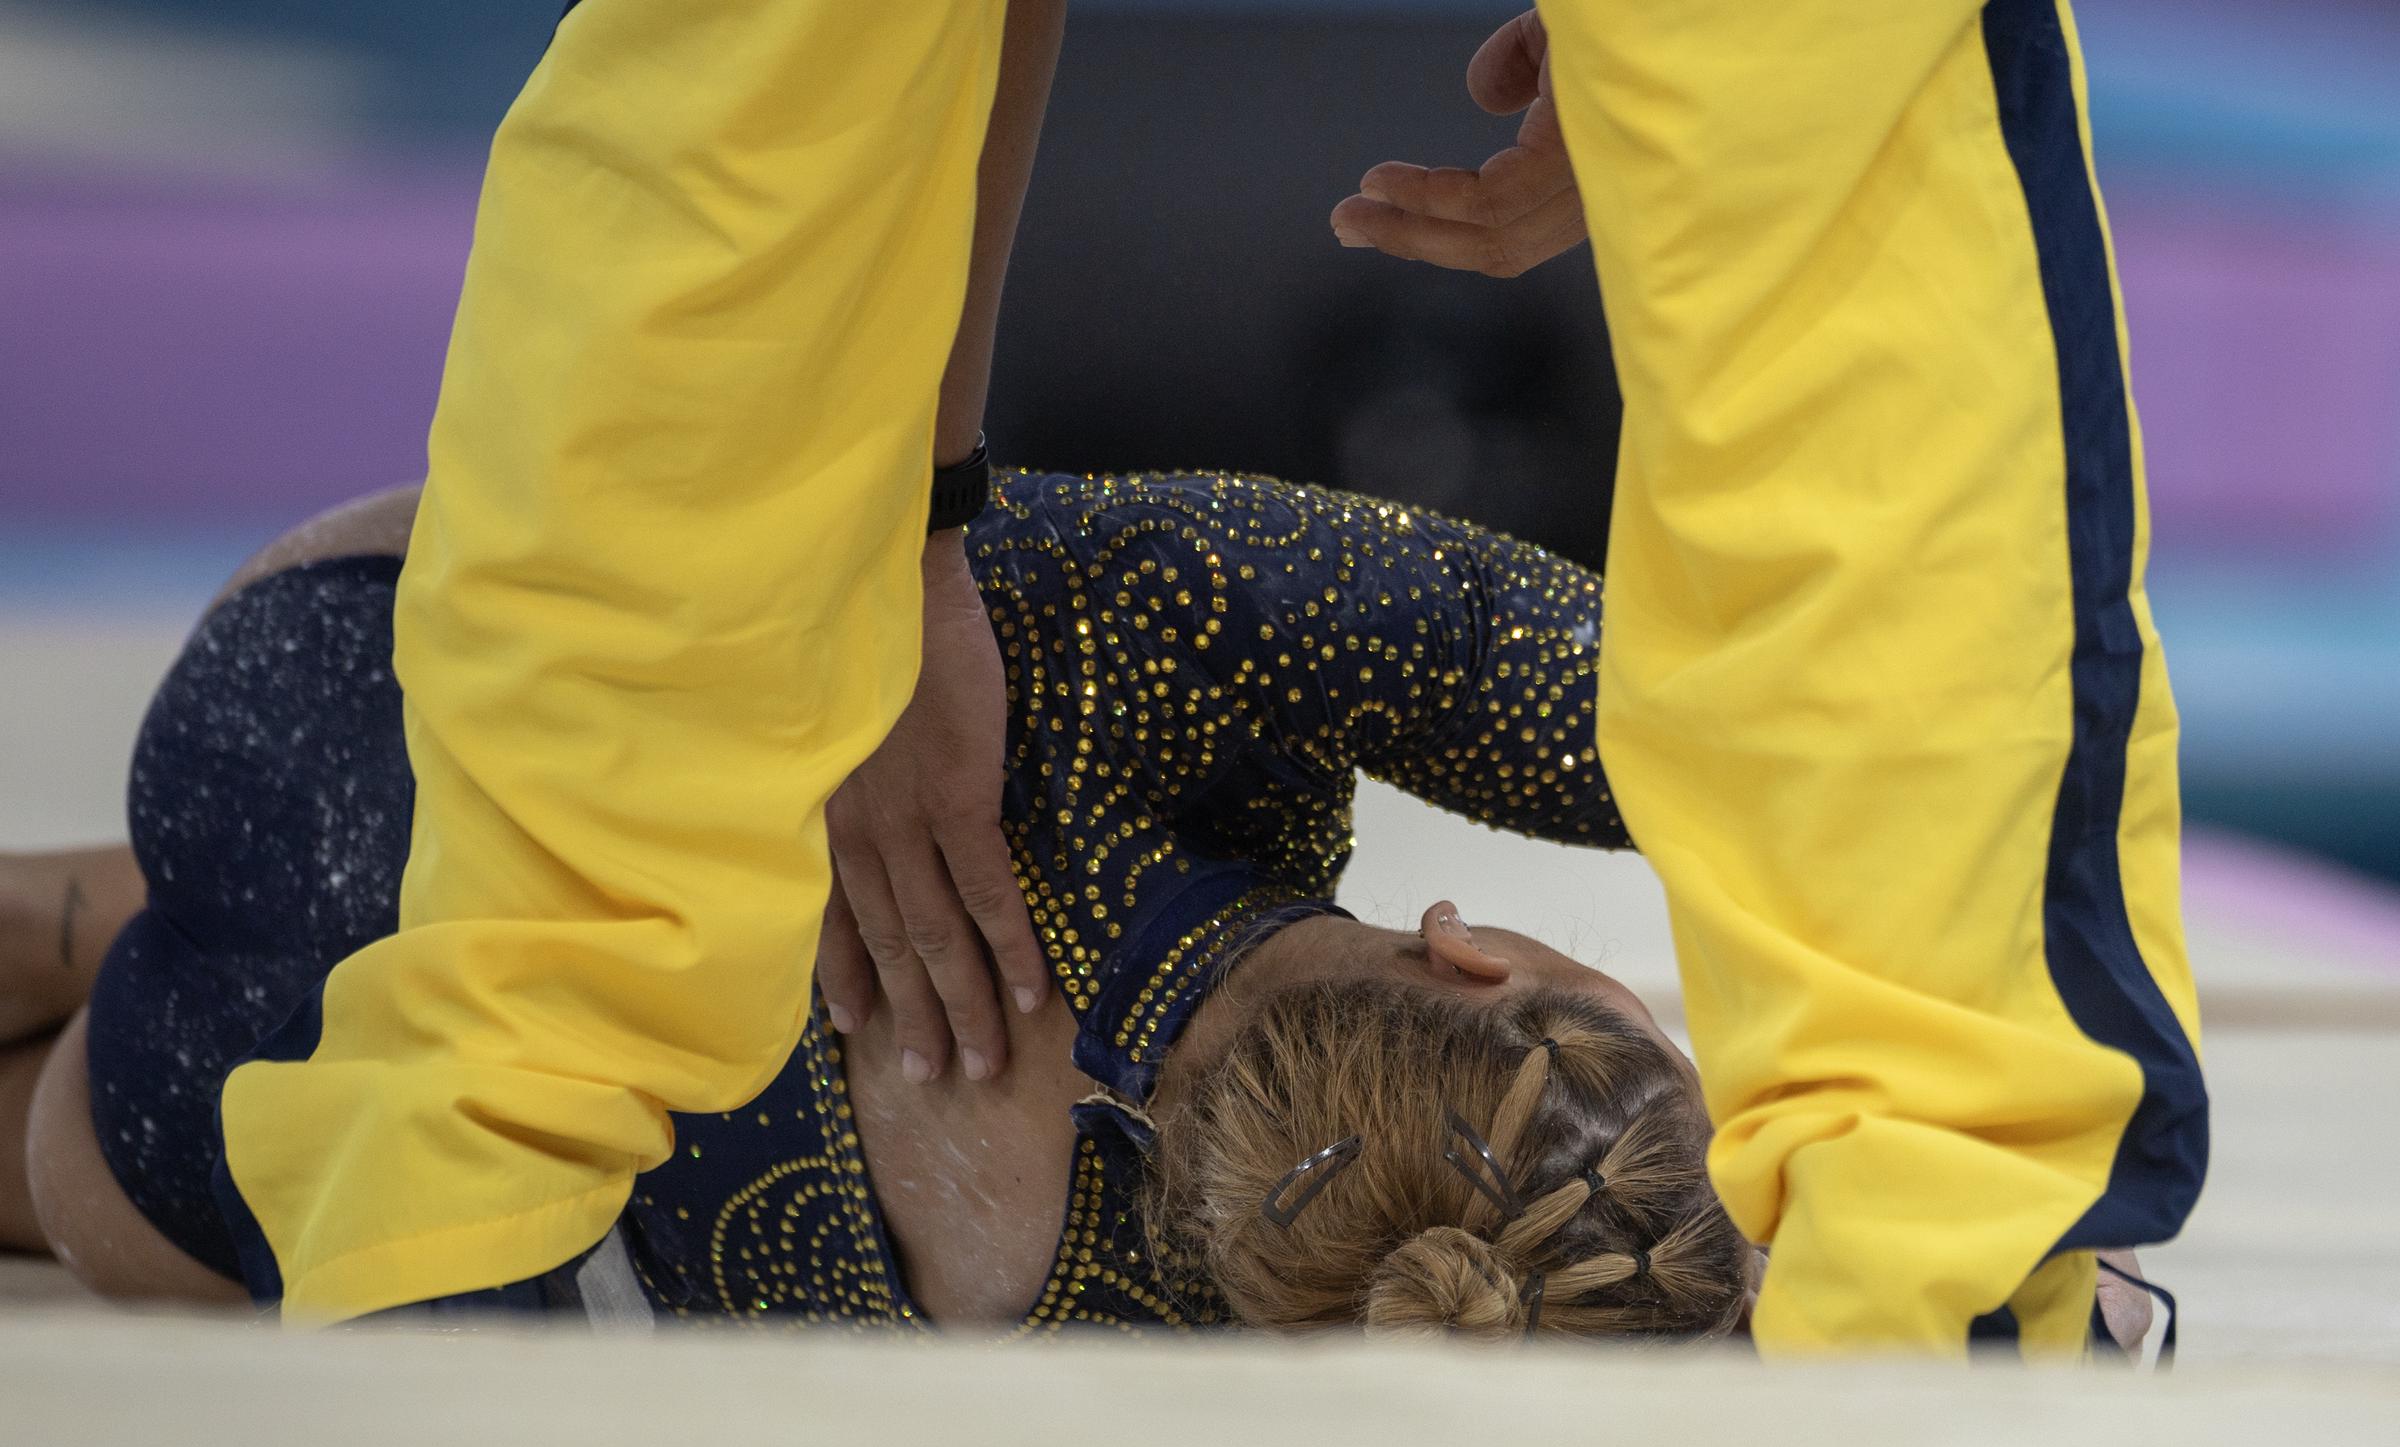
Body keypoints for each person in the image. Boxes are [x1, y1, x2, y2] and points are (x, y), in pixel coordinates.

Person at [218, 0, 2207, 1351]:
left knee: (744, 87)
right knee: (1819, 130)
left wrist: (889, 527)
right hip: (319, 982)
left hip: (397, 738)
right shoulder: (1085, 1266)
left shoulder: (1195, 636)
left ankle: (456, 1186)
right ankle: (1963, 1255)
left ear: (1472, 954)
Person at [3, 472, 1765, 1339]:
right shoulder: (1124, 1336)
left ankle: (83, 912)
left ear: (1473, 954)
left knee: (507, 839)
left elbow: (1681, 712)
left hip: (317, 694)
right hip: (209, 1158)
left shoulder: (1150, 642)